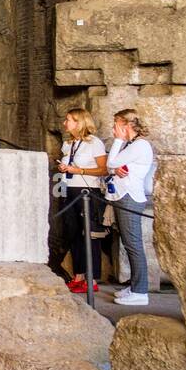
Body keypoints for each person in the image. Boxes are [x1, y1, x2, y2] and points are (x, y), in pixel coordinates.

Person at [106, 109, 154, 307]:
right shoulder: (132, 145)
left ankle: (140, 291)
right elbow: (111, 167)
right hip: (123, 195)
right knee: (129, 243)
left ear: (126, 125)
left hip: (129, 197)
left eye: (116, 124)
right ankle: (135, 286)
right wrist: (115, 167)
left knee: (133, 244)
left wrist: (117, 140)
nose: (113, 128)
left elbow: (111, 161)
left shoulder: (140, 145)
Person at [57, 107, 108, 295]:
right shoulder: (67, 144)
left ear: (79, 122)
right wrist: (65, 169)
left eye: (68, 119)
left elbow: (103, 170)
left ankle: (92, 278)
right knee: (73, 233)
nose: (65, 123)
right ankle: (78, 276)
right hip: (68, 190)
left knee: (90, 234)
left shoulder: (94, 143)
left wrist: (79, 171)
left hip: (87, 191)